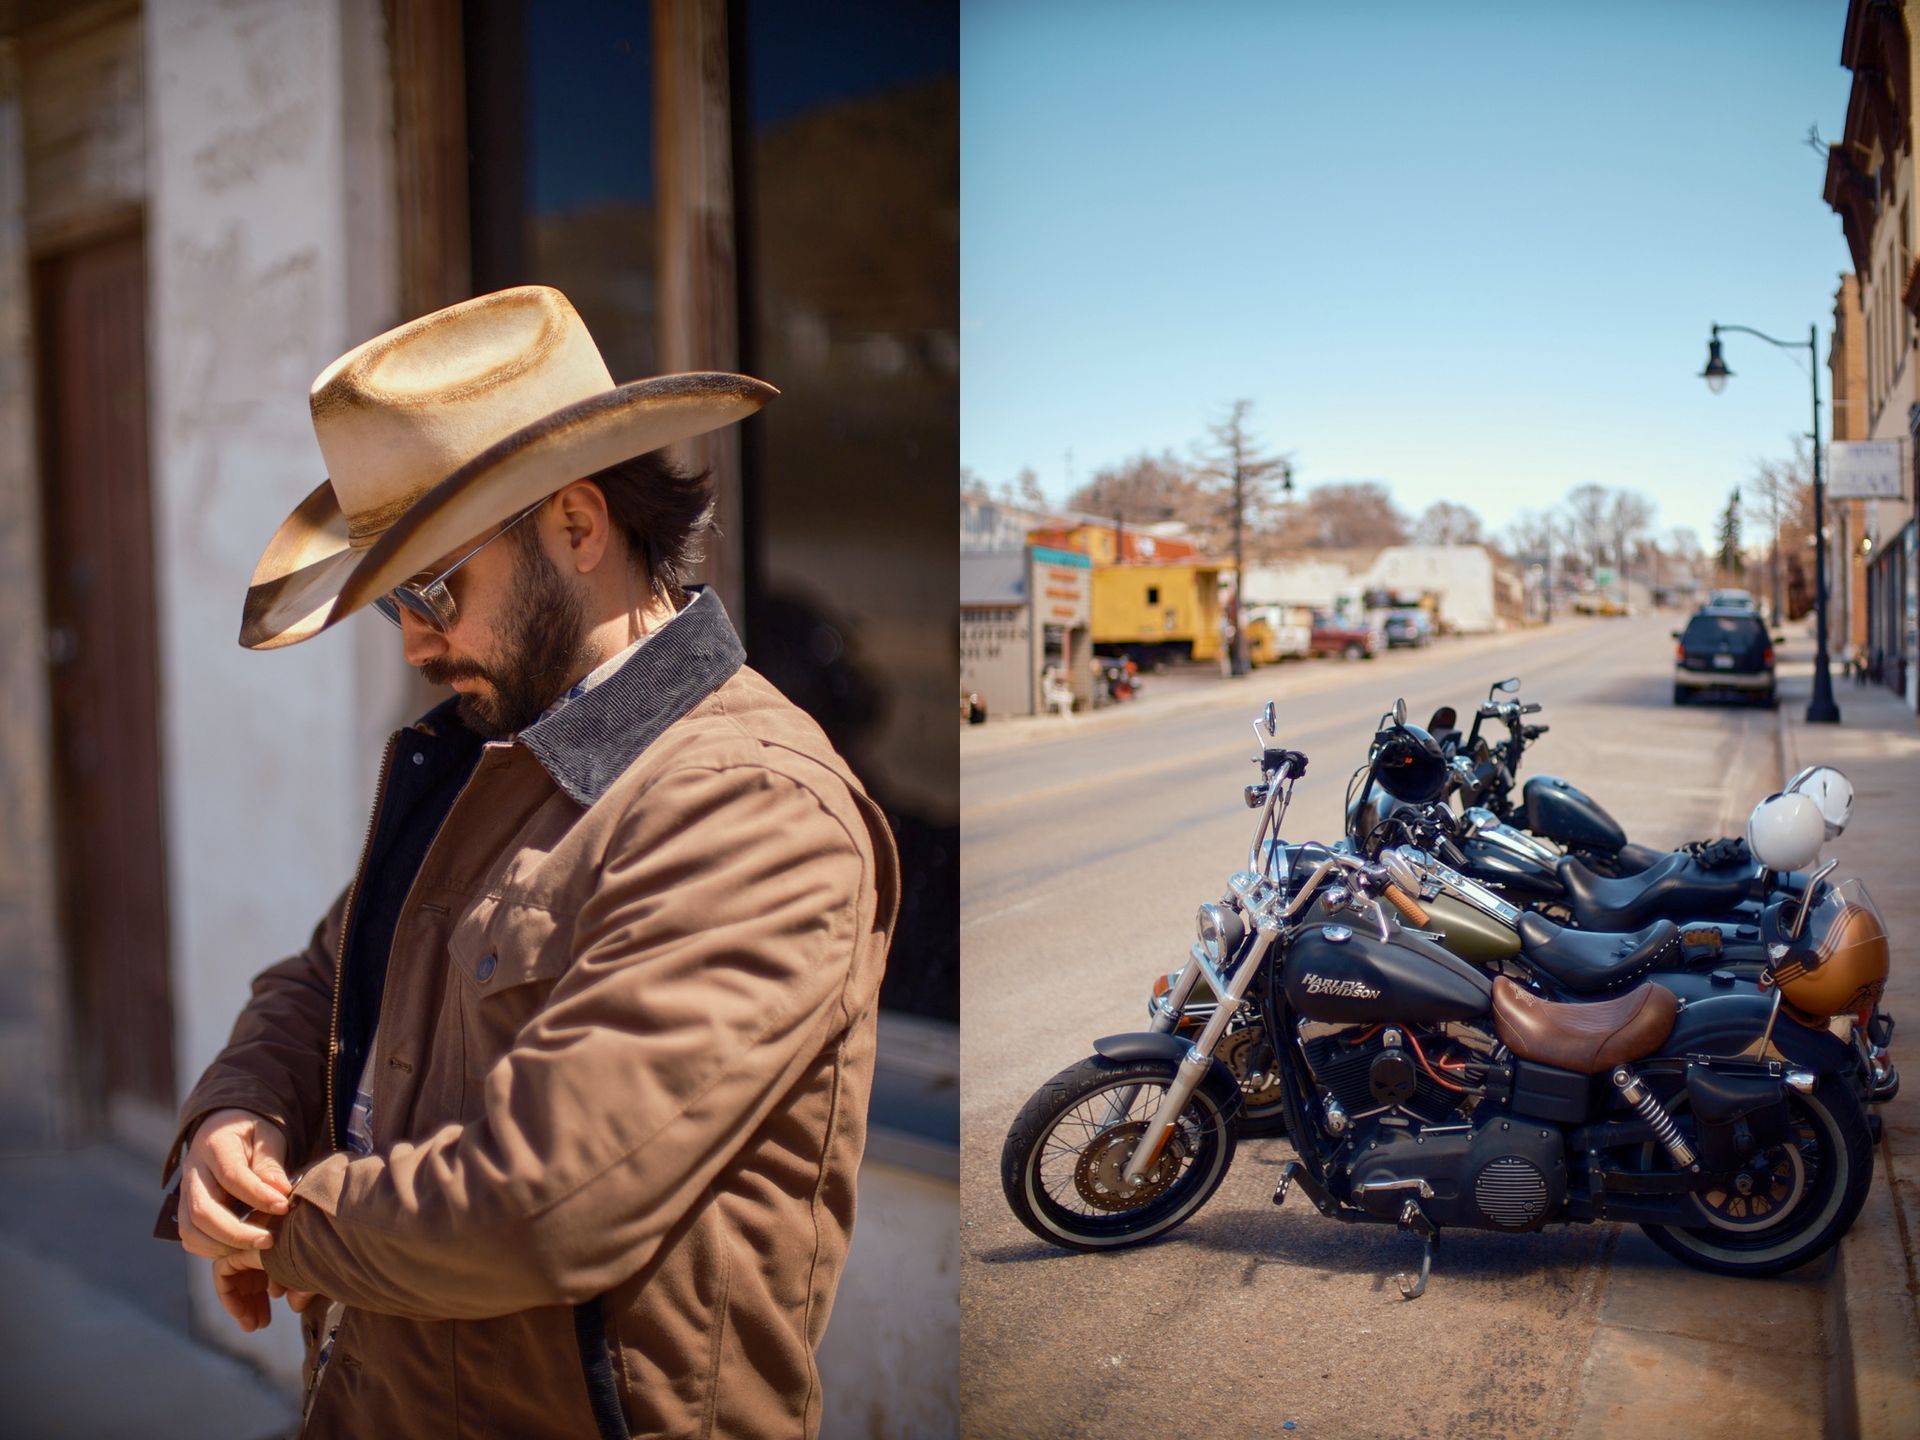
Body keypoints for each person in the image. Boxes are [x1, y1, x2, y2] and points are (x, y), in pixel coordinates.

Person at [154, 285, 899, 1438]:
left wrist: (279, 1223)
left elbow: (544, 1205)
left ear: (578, 526)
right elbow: (325, 975)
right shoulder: (487, 749)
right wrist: (233, 1118)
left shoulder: (750, 807)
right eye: (391, 600)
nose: (412, 639)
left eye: (433, 587)